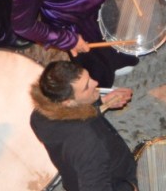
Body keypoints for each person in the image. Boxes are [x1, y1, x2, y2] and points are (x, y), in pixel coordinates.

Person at [30, 61, 137, 191]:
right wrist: (129, 187)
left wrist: (100, 103)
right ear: (68, 102)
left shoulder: (38, 117)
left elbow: (72, 116)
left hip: (73, 177)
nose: (95, 83)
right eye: (86, 87)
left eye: (89, 77)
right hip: (114, 178)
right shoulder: (89, 143)